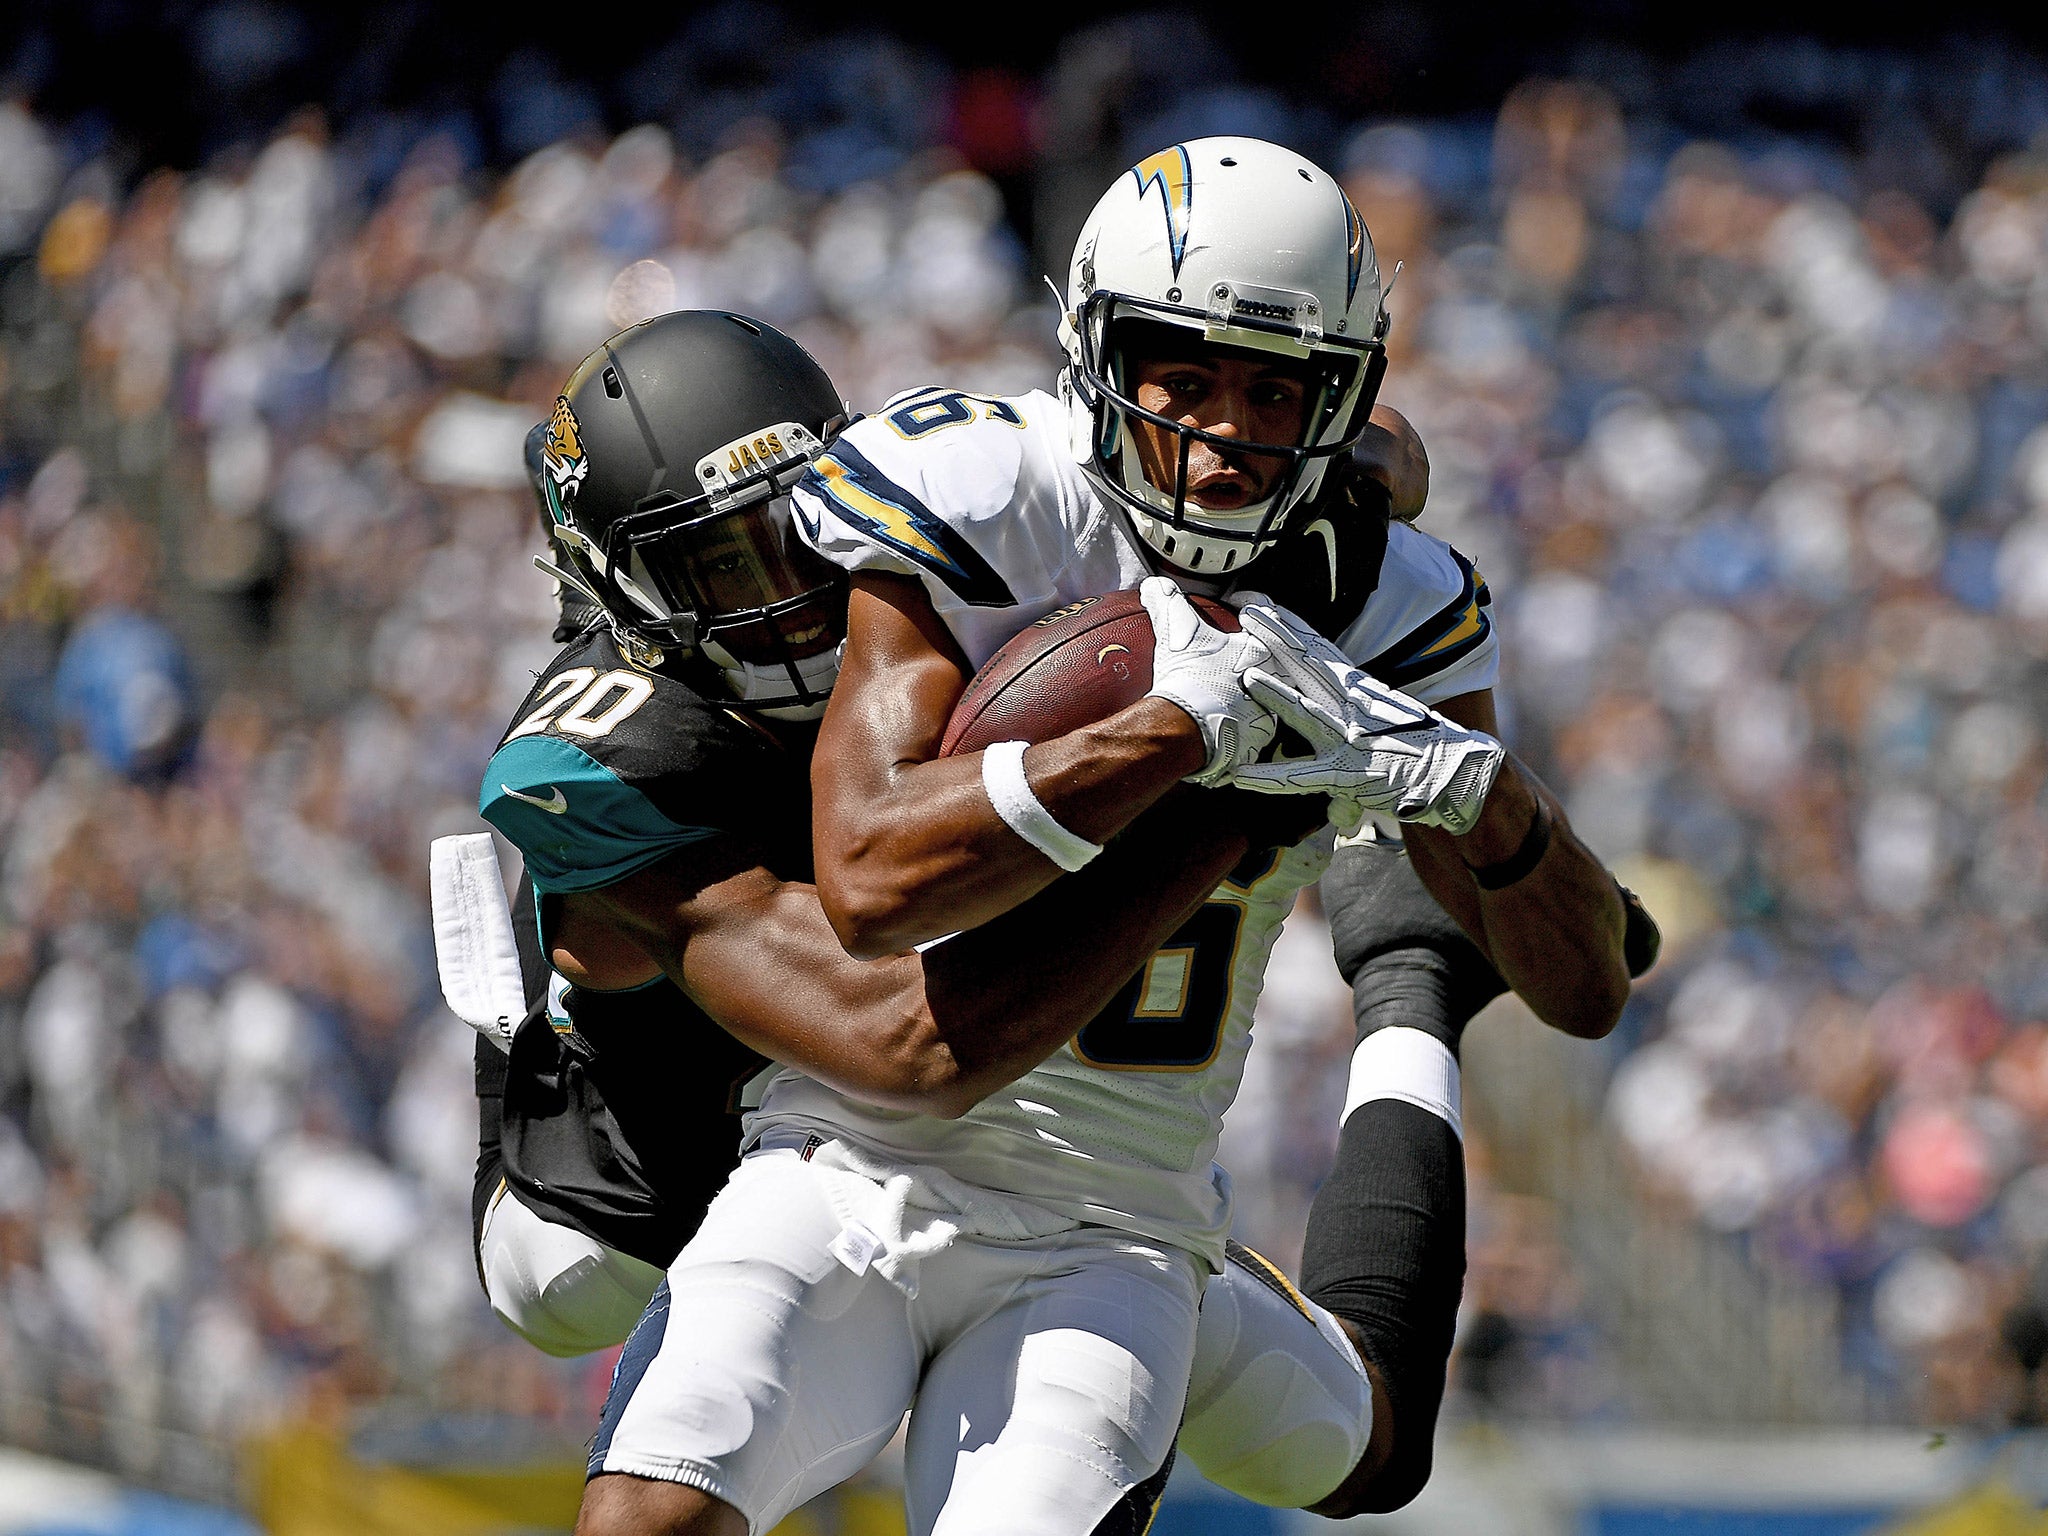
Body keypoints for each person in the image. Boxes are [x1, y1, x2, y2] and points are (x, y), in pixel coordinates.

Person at [578, 137, 1635, 1536]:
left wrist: (1480, 797)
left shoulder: (1396, 600)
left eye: (1275, 390)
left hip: (1113, 1226)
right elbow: (874, 878)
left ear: (1341, 399)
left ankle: (1410, 1000)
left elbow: (1585, 989)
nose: (1223, 434)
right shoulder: (993, 491)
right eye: (1181, 376)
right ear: (1097, 356)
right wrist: (1173, 733)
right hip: (850, 1159)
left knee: (1359, 1456)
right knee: (647, 1510)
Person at [448, 307, 1278, 1370]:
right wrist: (1218, 797)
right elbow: (903, 1041)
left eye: (797, 540)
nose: (790, 605)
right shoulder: (613, 755)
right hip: (618, 1188)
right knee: (595, 1288)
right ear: (624, 595)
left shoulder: (906, 533)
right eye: (723, 572)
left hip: (836, 1100)